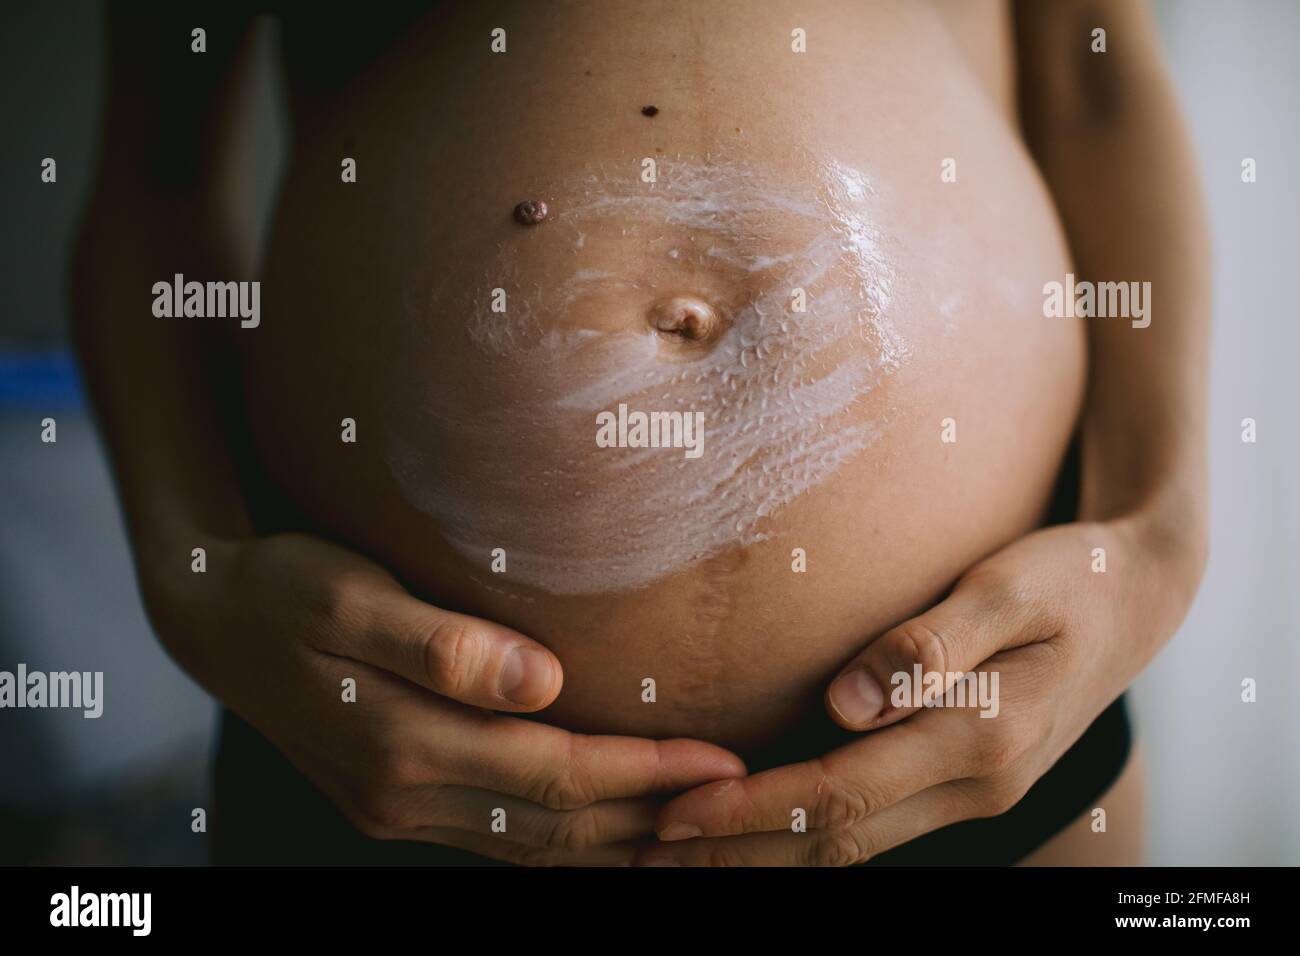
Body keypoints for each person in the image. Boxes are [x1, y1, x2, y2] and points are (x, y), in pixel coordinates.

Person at [71, 0, 1208, 866]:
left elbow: (1091, 81)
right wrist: (195, 575)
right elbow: (157, 174)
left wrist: (1156, 543)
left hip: (983, 718)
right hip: (384, 741)